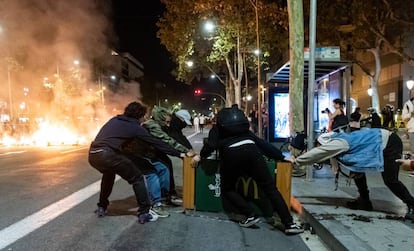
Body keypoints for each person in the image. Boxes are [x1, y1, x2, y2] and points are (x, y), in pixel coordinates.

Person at [200, 106, 304, 235]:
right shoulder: (245, 131)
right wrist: (281, 156)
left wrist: (201, 156)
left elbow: (210, 146)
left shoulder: (217, 129)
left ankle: (249, 214)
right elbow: (263, 144)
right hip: (252, 153)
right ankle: (289, 223)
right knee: (271, 189)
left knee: (228, 189)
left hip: (231, 155)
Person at [290, 128, 414, 221]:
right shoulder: (339, 139)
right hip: (382, 140)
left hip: (390, 142)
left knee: (390, 180)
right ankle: (365, 201)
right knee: (357, 171)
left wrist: (296, 162)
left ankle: (412, 204)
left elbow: (318, 153)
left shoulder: (338, 143)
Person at [88, 101, 182, 223]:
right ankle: (144, 212)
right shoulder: (135, 127)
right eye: (144, 116)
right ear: (139, 115)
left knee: (108, 175)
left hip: (93, 154)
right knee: (137, 178)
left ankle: (102, 206)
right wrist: (179, 153)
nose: (144, 119)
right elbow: (156, 142)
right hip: (109, 154)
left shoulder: (114, 120)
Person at [143, 106, 199, 205]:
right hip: (144, 152)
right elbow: (168, 141)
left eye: (169, 122)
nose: (168, 125)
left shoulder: (160, 124)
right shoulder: (153, 126)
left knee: (165, 165)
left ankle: (165, 196)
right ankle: (162, 199)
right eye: (167, 122)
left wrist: (186, 152)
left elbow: (177, 138)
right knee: (161, 169)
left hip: (151, 151)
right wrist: (185, 152)